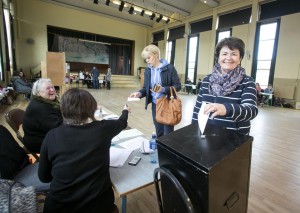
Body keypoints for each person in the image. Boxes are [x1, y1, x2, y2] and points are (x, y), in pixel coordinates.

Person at [38, 88, 129, 213]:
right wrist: (125, 110)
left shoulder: (52, 136)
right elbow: (122, 122)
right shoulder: (103, 129)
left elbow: (44, 177)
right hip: (99, 206)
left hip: (59, 207)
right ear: (91, 109)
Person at [192, 37, 258, 135]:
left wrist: (227, 109)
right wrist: (193, 131)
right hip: (207, 134)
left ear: (240, 59)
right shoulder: (207, 80)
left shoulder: (247, 82)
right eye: (224, 54)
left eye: (234, 54)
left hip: (235, 138)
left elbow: (251, 110)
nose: (229, 58)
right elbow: (198, 109)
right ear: (218, 58)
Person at [129, 44, 181, 137]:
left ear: (156, 54)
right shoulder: (148, 70)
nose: (147, 60)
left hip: (168, 104)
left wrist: (163, 89)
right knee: (159, 132)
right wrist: (139, 93)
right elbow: (146, 88)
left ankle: (167, 151)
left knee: (168, 133)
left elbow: (178, 86)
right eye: (146, 59)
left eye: (148, 57)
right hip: (155, 105)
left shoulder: (170, 68)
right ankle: (159, 150)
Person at [23, 78, 63, 153]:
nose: (52, 90)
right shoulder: (40, 109)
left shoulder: (46, 102)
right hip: (39, 142)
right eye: (48, 88)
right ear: (38, 93)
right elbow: (60, 128)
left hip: (44, 135)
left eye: (52, 87)